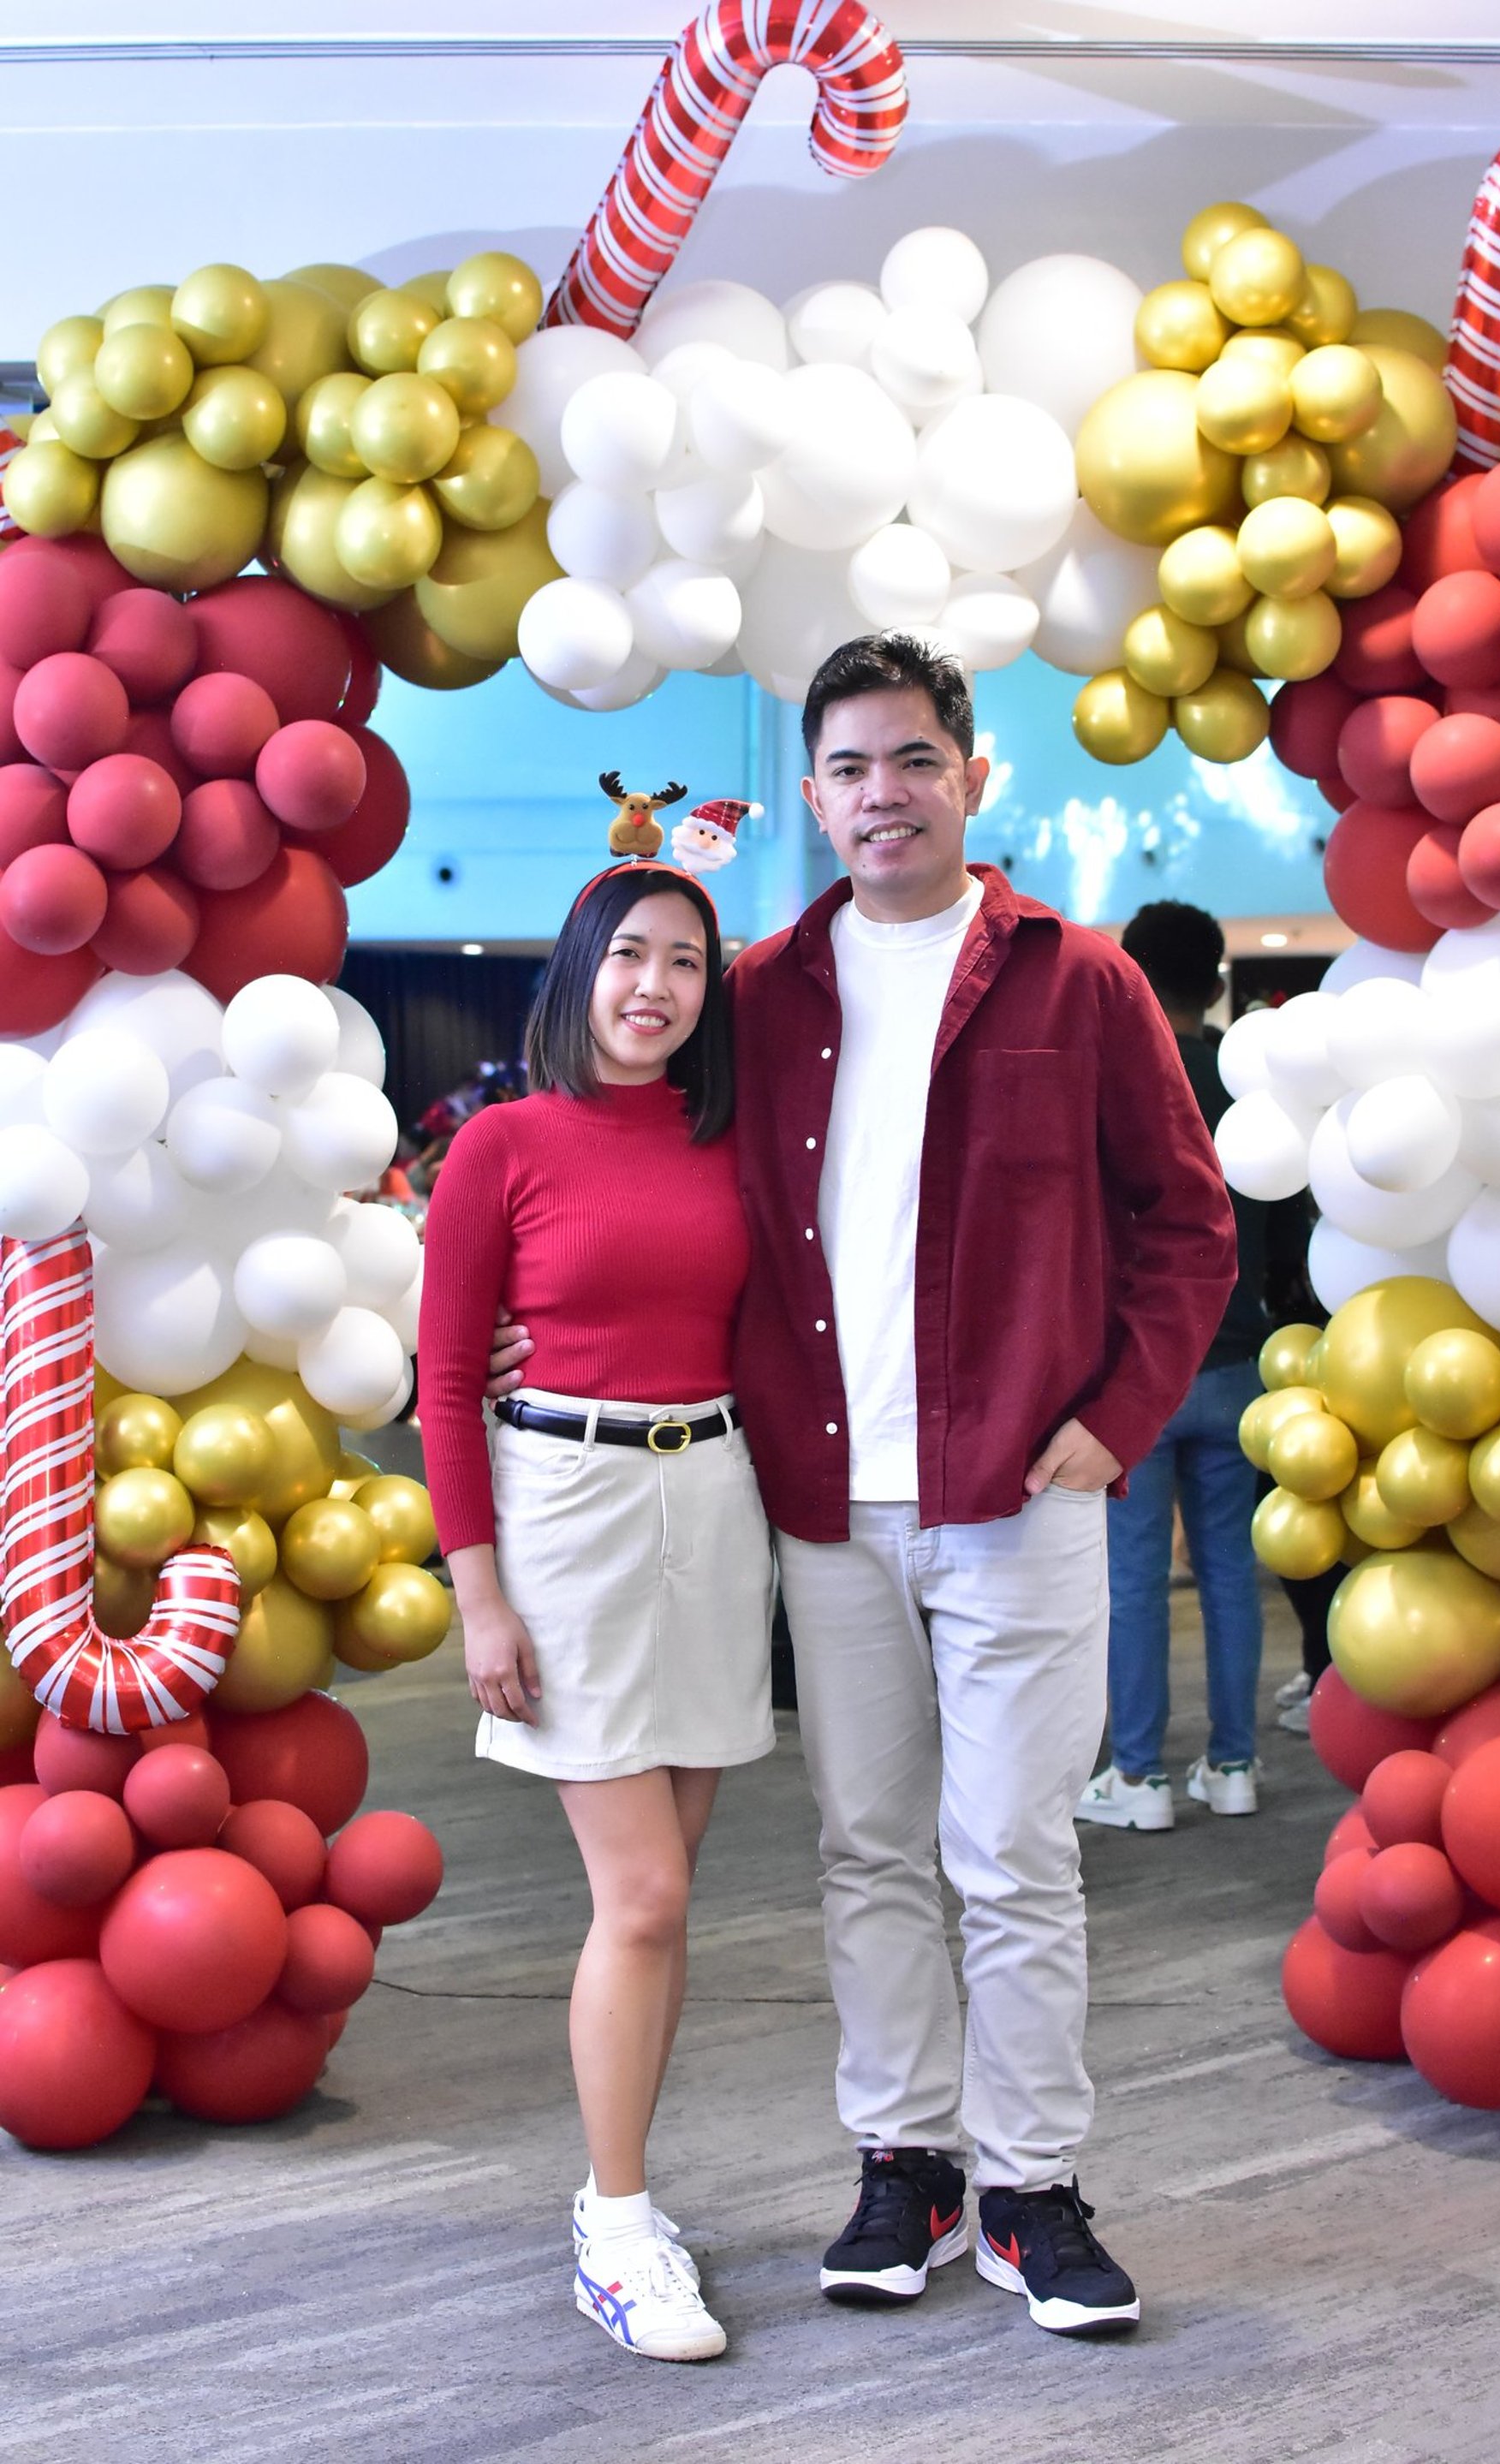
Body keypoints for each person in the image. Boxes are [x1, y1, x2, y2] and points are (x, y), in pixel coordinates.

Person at [493, 634, 1235, 2341]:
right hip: (824, 1501)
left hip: (1022, 1492)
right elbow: (638, 1191)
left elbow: (1188, 1223)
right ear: (812, 793)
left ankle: (1034, 2184)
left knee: (1017, 1852)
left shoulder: (1082, 981)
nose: (882, 793)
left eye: (914, 759)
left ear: (973, 778)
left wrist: (1113, 1418)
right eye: (849, 767)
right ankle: (905, 2155)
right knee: (868, 1849)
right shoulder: (762, 993)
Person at [420, 862, 775, 2366]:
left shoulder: (734, 1140)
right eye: (629, 955)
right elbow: (443, 1381)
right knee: (641, 1896)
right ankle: (618, 2224)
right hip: (563, 1507)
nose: (654, 985)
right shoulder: (502, 1142)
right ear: (579, 974)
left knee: (665, 1892)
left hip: (715, 1495)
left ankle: (617, 2195)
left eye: (686, 963)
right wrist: (478, 1590)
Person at [1074, 901, 1280, 1832]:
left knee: (1135, 1578)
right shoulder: (1252, 1085)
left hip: (1140, 1372)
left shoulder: (1118, 1076)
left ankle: (1138, 1775)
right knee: (1233, 1569)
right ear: (1215, 982)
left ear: (1133, 974)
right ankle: (1234, 1764)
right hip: (1241, 1364)